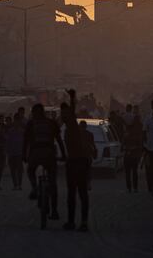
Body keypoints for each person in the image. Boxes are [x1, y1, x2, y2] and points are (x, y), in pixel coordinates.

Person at [24, 103, 66, 220]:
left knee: (31, 170)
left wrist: (24, 155)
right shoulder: (52, 123)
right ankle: (54, 211)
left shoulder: (31, 123)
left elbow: (25, 141)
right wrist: (63, 155)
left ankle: (34, 187)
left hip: (35, 153)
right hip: (49, 154)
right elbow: (59, 140)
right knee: (53, 183)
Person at [61, 90, 91, 231]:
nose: (64, 116)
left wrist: (73, 97)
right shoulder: (67, 128)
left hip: (77, 162)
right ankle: (75, 222)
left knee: (79, 193)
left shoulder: (72, 125)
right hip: (75, 162)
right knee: (74, 194)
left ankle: (81, 222)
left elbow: (72, 110)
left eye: (65, 114)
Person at [122, 111, 143, 192]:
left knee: (132, 172)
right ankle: (132, 188)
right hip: (130, 155)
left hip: (132, 155)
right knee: (131, 172)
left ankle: (132, 188)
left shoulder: (135, 134)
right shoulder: (130, 135)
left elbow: (139, 145)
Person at [6, 114, 25, 190]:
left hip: (18, 153)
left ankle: (18, 185)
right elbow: (8, 142)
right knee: (14, 170)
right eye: (16, 120)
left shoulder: (21, 131)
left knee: (17, 170)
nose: (16, 122)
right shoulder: (11, 131)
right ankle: (16, 185)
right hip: (13, 153)